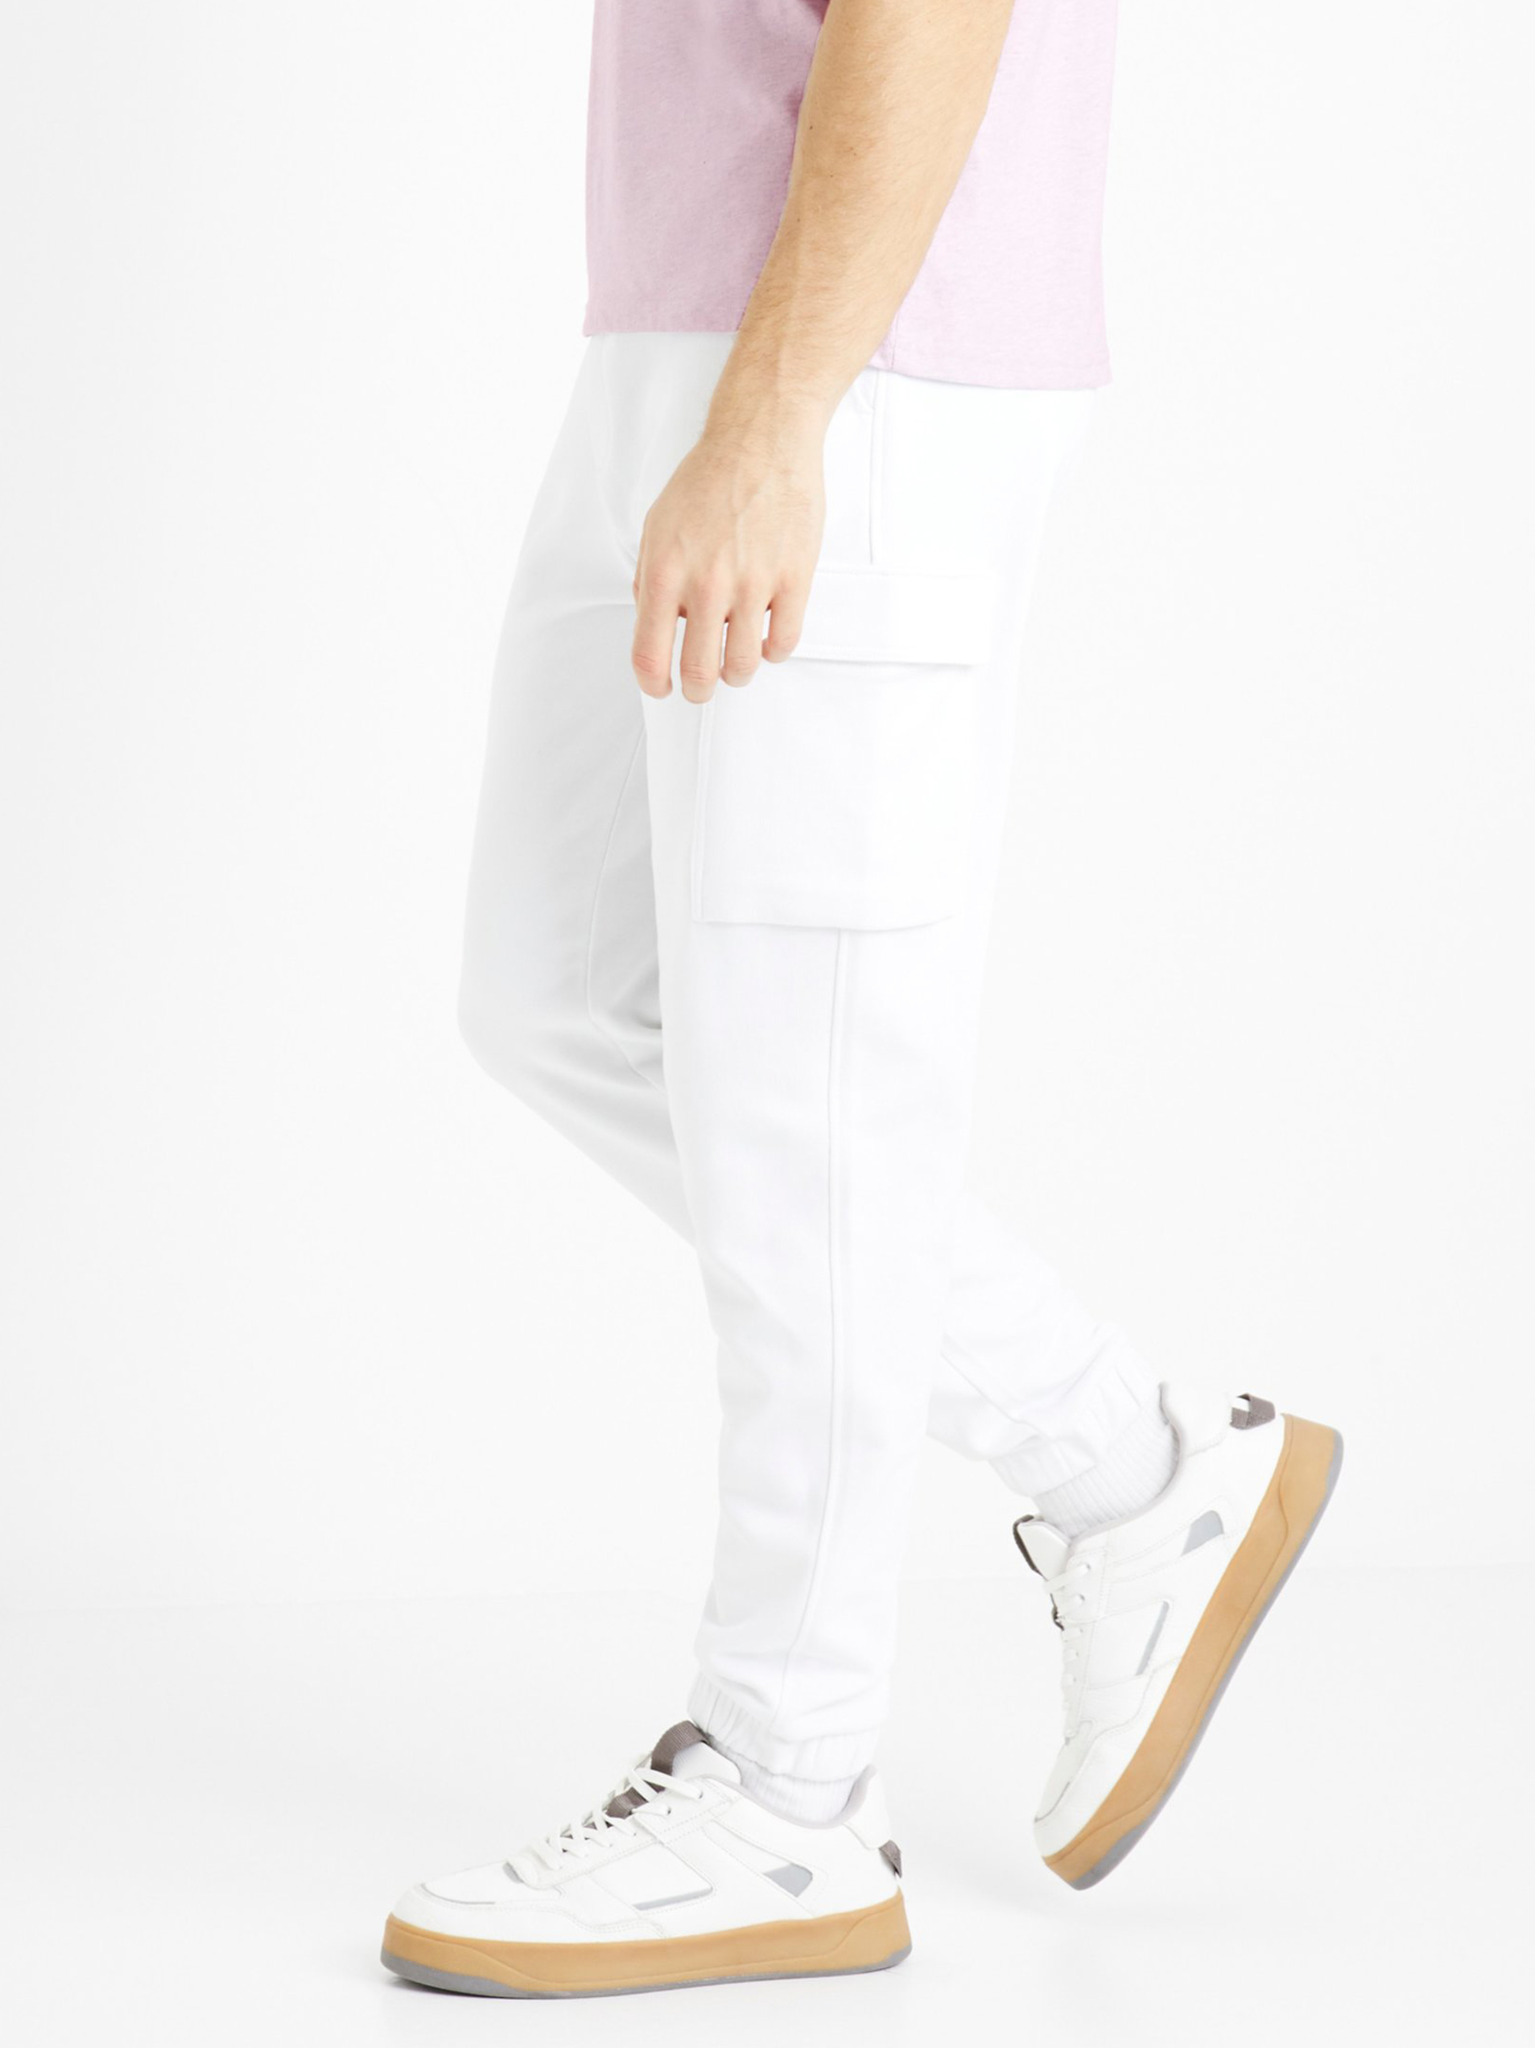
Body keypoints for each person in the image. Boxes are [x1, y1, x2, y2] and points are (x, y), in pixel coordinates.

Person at [380, 0, 1342, 1999]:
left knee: (810, 1086)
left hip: (849, 366)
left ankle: (786, 1777)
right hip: (683, 321)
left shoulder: (814, 394)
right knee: (561, 990)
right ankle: (1135, 1470)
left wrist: (776, 418)